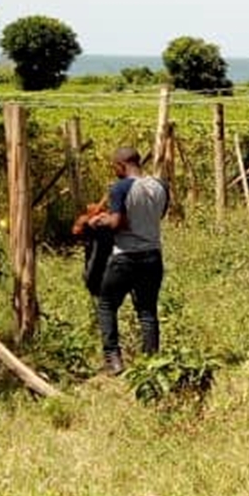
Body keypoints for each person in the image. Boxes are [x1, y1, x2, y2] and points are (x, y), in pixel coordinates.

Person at [88, 146, 169, 374]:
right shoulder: (160, 186)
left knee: (106, 304)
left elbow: (116, 224)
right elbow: (155, 216)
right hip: (153, 255)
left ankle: (113, 359)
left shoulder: (120, 187)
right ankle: (151, 363)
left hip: (125, 256)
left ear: (121, 165)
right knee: (147, 311)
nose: (115, 171)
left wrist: (98, 222)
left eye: (115, 166)